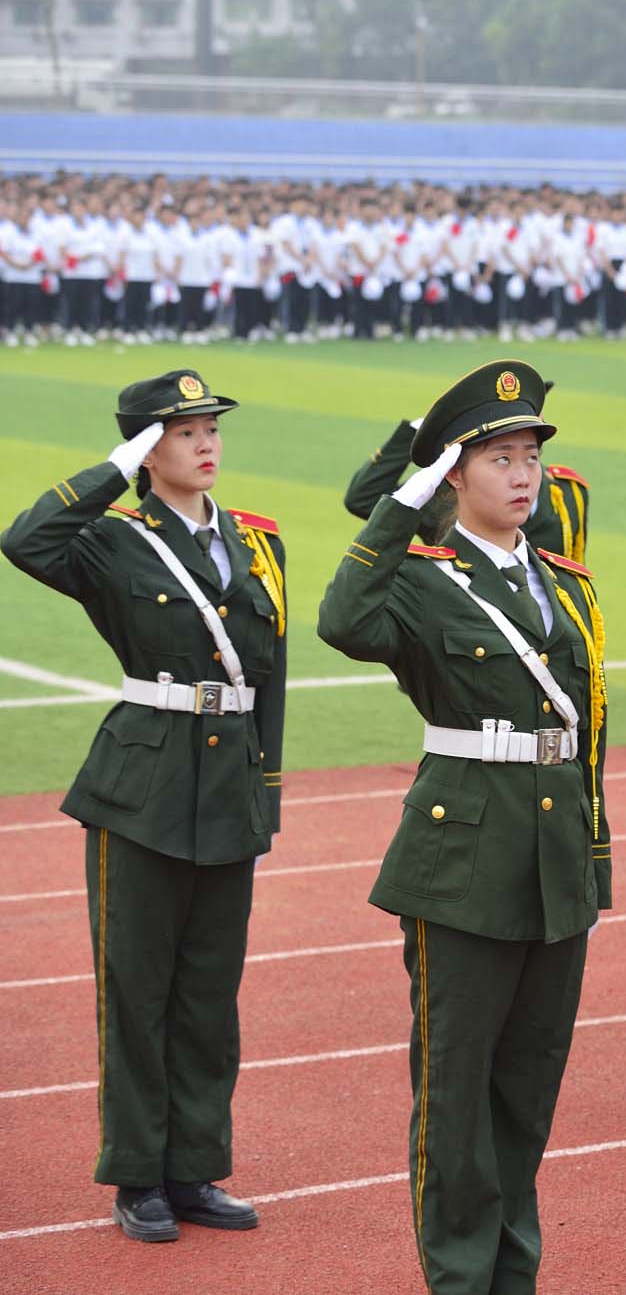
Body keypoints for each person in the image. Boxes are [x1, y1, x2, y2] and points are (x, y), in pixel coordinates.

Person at [317, 361, 611, 1293]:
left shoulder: (561, 581)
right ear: (455, 476)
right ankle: (457, 1274)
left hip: (553, 855)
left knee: (528, 1089)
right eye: (498, 457)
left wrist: (593, 857)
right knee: (456, 1089)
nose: (523, 474)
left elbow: (586, 725)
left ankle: (511, 1271)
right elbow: (340, 617)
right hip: (463, 856)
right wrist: (406, 496)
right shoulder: (417, 580)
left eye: (529, 456)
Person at [2, 370, 287, 1243]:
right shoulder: (111, 542)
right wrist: (112, 468)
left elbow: (268, 674)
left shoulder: (255, 541)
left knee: (208, 993)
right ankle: (138, 1176)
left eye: (210, 428)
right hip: (142, 785)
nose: (205, 442)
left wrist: (265, 790)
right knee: (138, 990)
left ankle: (194, 1166)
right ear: (146, 448)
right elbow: (25, 538)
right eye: (182, 431)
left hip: (227, 783)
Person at [343, 408, 591, 566]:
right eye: (502, 457)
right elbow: (362, 498)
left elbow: (573, 581)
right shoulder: (443, 492)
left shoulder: (568, 491)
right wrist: (419, 431)